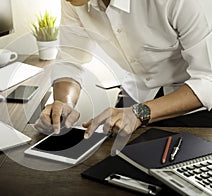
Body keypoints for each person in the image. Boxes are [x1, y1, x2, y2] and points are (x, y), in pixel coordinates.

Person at [34, 0, 212, 140]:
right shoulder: (74, 2)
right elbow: (71, 60)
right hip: (136, 94)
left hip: (195, 106)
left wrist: (139, 113)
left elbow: (207, 80)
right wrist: (64, 103)